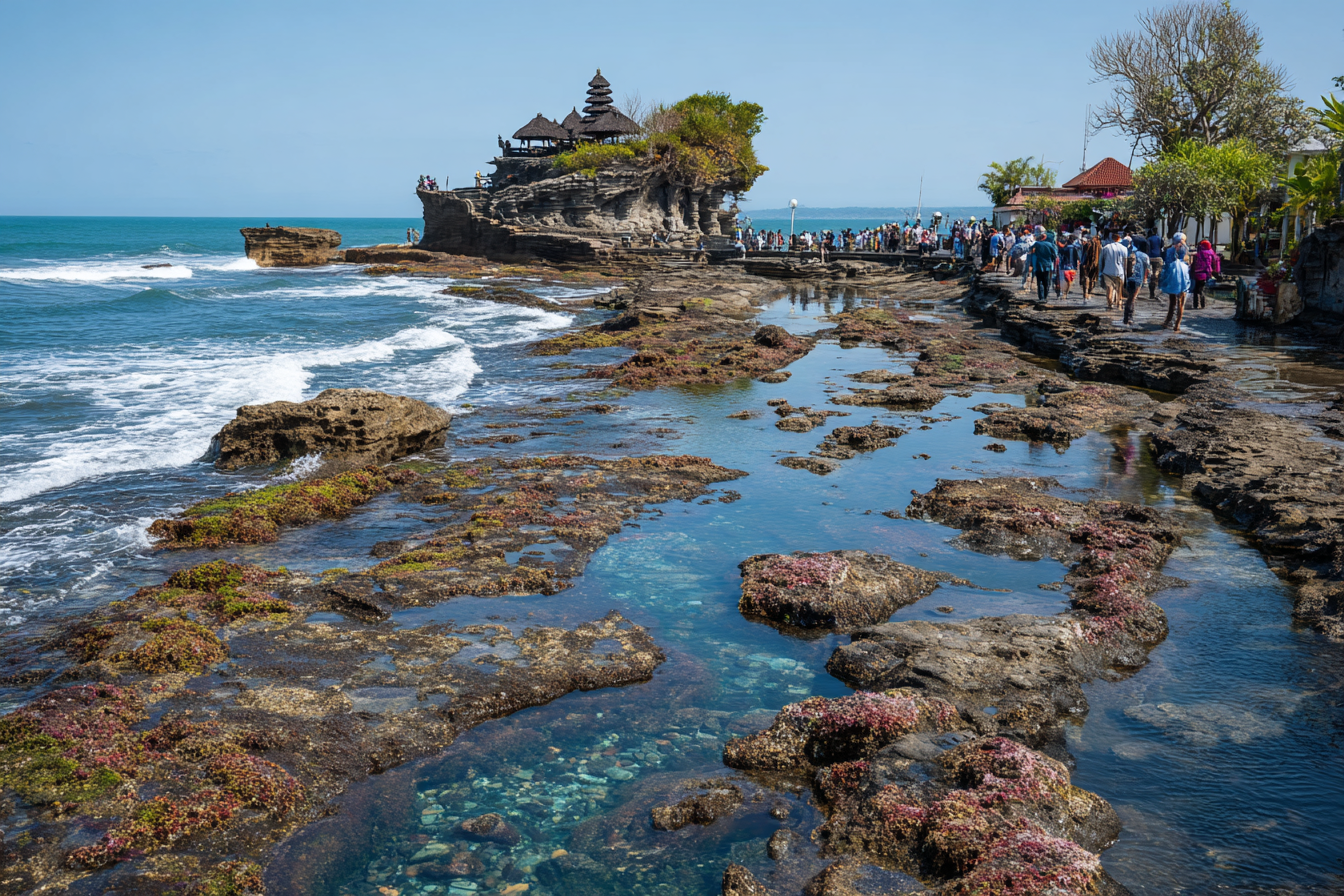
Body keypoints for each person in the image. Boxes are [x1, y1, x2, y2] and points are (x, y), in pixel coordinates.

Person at [1160, 245, 1192, 332]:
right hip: (1184, 286)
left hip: (1173, 285)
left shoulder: (1172, 264)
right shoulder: (1186, 265)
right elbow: (1187, 277)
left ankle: (1167, 321)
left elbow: (1165, 275)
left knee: (1172, 303)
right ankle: (1177, 325)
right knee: (1181, 304)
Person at [1121, 237, 1149, 326]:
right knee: (1132, 298)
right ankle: (1128, 317)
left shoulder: (1128, 253)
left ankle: (1127, 316)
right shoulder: (1144, 256)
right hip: (1138, 279)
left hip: (1127, 278)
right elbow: (1147, 269)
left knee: (1130, 297)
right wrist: (1145, 280)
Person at [1098, 232, 1129, 310]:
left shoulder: (1105, 248)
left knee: (1109, 289)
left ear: (1112, 238)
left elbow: (1101, 261)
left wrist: (1100, 272)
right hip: (1120, 272)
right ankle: (1119, 304)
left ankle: (1110, 304)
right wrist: (1126, 274)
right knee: (1119, 290)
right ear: (1119, 239)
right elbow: (1125, 262)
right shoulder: (1124, 248)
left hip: (1107, 272)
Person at [1029, 226, 1059, 302]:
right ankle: (1045, 297)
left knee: (1040, 282)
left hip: (1038, 266)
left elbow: (1030, 252)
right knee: (1047, 282)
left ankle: (1041, 297)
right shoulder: (1050, 245)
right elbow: (1055, 255)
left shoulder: (1036, 244)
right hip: (1048, 266)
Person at [1190, 239, 1221, 309]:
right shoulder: (1212, 254)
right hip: (1207, 274)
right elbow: (1216, 264)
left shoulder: (1197, 255)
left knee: (1195, 290)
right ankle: (1203, 304)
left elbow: (1193, 265)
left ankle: (1195, 305)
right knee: (1202, 289)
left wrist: (1191, 273)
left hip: (1197, 274)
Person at [1057, 234, 1080, 300]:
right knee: (1070, 282)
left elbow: (1061, 257)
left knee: (1066, 281)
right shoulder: (1075, 249)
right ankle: (1065, 293)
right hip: (1072, 268)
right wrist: (1076, 267)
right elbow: (1077, 259)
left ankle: (1064, 293)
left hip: (1065, 267)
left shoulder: (1064, 249)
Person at [1080, 229, 1102, 297]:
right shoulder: (1100, 247)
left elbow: (1085, 255)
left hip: (1087, 264)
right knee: (1092, 279)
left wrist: (1083, 263)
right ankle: (1088, 291)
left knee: (1086, 277)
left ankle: (1086, 292)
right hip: (1095, 264)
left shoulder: (1088, 245)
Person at [1145, 230, 1165, 302]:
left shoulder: (1149, 239)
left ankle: (1151, 293)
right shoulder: (1159, 238)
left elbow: (1147, 248)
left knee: (1151, 275)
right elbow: (1162, 247)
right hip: (1158, 258)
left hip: (1150, 258)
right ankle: (1154, 289)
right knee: (1156, 275)